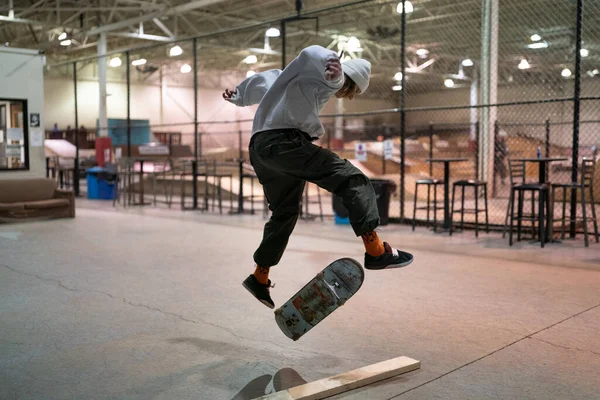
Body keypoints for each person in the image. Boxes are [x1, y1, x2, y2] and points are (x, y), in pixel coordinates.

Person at [223, 45, 414, 309]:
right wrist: (333, 69)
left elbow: (270, 79)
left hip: (261, 149)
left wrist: (240, 94)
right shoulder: (323, 76)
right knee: (352, 179)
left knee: (284, 213)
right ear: (350, 80)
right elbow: (312, 53)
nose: (346, 94)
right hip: (285, 144)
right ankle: (376, 251)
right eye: (351, 89)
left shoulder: (296, 79)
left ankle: (260, 277)